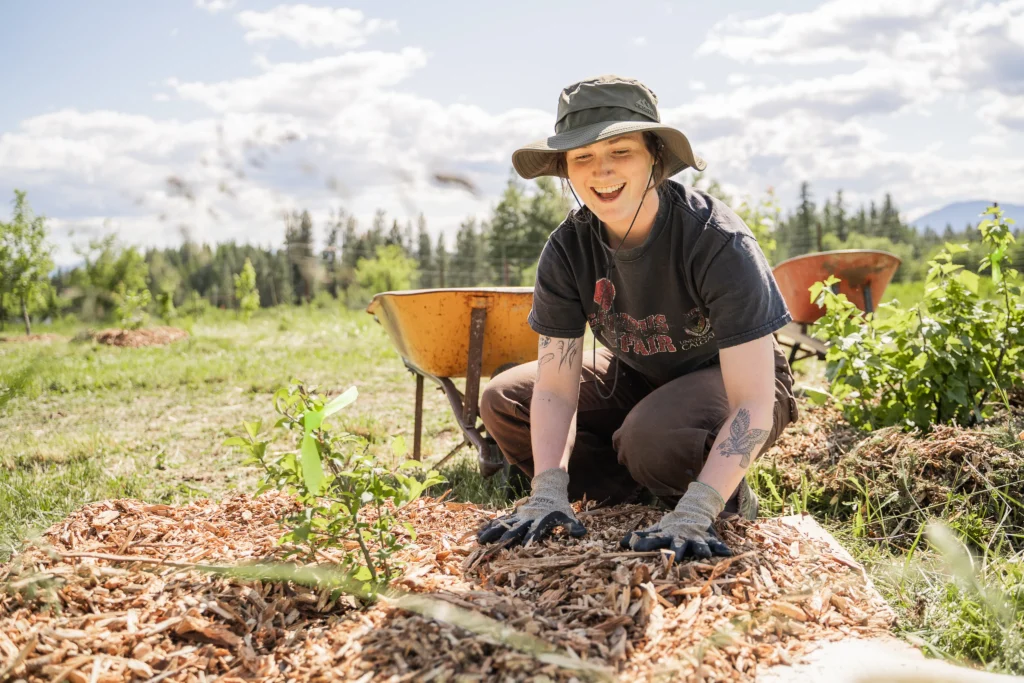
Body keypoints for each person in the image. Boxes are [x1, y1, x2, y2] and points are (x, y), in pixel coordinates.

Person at [475, 75, 799, 561]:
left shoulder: (716, 241)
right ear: (565, 168)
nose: (601, 171)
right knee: (505, 400)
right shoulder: (568, 248)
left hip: (734, 383)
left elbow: (753, 400)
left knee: (651, 436)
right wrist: (547, 488)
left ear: (656, 156)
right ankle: (630, 494)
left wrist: (700, 509)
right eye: (582, 157)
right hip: (638, 374)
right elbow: (555, 387)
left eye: (620, 151)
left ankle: (719, 497)